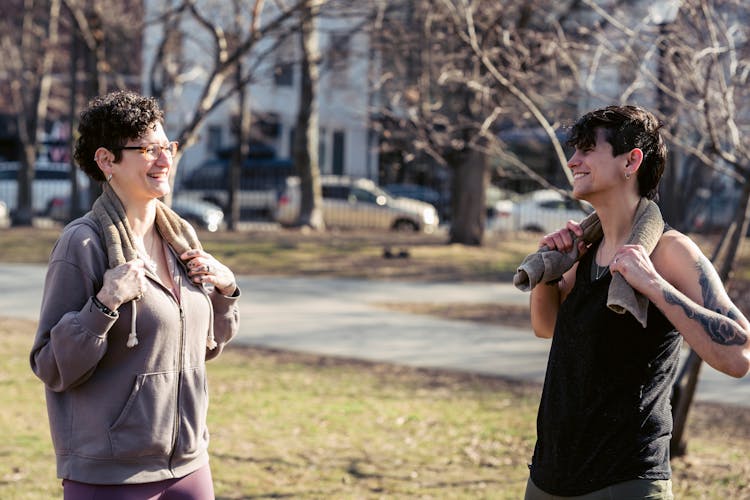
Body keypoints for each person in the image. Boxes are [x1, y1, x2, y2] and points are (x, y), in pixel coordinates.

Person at [524, 105, 749, 499]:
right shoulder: (586, 249)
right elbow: (547, 328)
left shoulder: (670, 252)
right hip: (549, 478)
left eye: (587, 149)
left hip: (624, 482)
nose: (573, 161)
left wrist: (652, 284)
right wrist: (552, 271)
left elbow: (739, 354)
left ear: (631, 161)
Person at [30, 90, 240, 499]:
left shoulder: (182, 239)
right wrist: (104, 304)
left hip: (190, 464)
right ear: (107, 160)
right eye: (147, 149)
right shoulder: (83, 244)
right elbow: (52, 366)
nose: (165, 160)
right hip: (110, 476)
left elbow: (203, 349)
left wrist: (226, 290)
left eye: (167, 147)